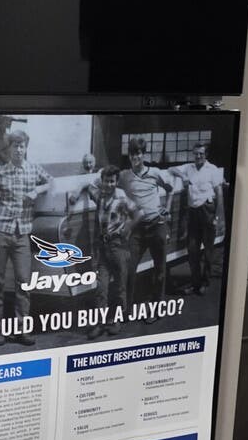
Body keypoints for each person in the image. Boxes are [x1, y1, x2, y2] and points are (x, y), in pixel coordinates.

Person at [0, 132, 50, 346]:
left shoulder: (34, 169)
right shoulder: (0, 173)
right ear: (9, 149)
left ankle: (22, 329)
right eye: (15, 146)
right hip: (0, 231)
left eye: (22, 146)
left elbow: (50, 182)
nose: (18, 150)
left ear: (26, 148)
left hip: (22, 234)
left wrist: (37, 190)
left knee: (24, 281)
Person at [84, 165, 138, 340]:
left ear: (117, 182)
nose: (109, 185)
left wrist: (126, 229)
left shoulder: (121, 197)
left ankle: (117, 320)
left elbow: (138, 213)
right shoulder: (100, 196)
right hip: (103, 248)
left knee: (120, 286)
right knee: (102, 287)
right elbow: (88, 186)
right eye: (106, 181)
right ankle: (100, 323)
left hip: (118, 247)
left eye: (112, 181)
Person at [118, 139, 175, 302]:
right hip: (137, 230)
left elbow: (170, 189)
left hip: (157, 225)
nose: (134, 157)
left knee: (160, 270)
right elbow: (103, 180)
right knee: (129, 269)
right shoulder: (124, 176)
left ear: (144, 154)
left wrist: (167, 208)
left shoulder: (155, 173)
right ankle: (127, 310)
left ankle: (157, 306)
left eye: (138, 153)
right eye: (131, 154)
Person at [169, 143, 225, 295]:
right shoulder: (189, 168)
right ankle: (195, 284)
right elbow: (171, 169)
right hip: (193, 213)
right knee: (192, 250)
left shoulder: (212, 170)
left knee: (208, 251)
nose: (198, 156)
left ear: (206, 155)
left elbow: (219, 193)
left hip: (207, 211)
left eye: (201, 153)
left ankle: (205, 282)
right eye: (196, 154)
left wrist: (219, 216)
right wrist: (183, 176)